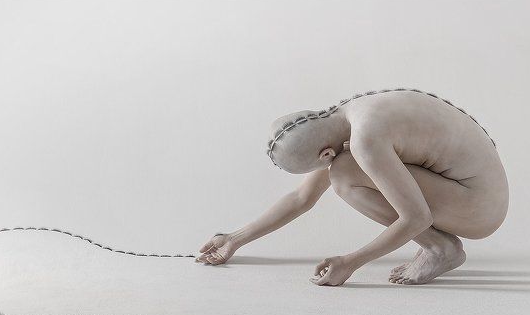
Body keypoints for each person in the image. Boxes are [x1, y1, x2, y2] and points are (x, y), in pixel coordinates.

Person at [196, 89, 509, 286]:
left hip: (480, 207)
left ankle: (441, 249)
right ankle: (440, 246)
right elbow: (302, 197)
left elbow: (416, 218)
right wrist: (234, 239)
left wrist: (351, 263)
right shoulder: (349, 114)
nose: (326, 168)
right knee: (344, 169)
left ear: (325, 155)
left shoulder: (365, 141)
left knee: (343, 175)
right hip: (470, 190)